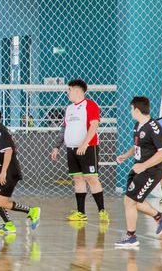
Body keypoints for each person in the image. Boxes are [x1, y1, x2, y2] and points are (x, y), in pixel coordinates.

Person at [114, 96, 162, 248]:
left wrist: (144, 166)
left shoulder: (155, 128)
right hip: (139, 167)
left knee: (129, 201)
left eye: (131, 109)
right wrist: (126, 156)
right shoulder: (137, 125)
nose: (130, 112)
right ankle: (160, 217)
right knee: (133, 202)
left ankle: (131, 236)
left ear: (137, 109)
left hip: (151, 170)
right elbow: (138, 146)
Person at [50, 79, 109, 223]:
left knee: (91, 178)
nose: (67, 93)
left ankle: (102, 211)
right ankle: (81, 212)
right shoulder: (69, 108)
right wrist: (57, 146)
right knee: (77, 179)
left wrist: (85, 144)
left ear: (76, 90)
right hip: (71, 149)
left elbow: (94, 126)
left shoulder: (90, 105)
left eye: (69, 90)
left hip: (88, 148)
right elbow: (64, 129)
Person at [0, 107, 41, 234]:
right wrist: (0, 166)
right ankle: (9, 225)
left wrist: (4, 171)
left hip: (10, 171)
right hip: (4, 168)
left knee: (3, 202)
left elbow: (9, 150)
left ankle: (32, 211)